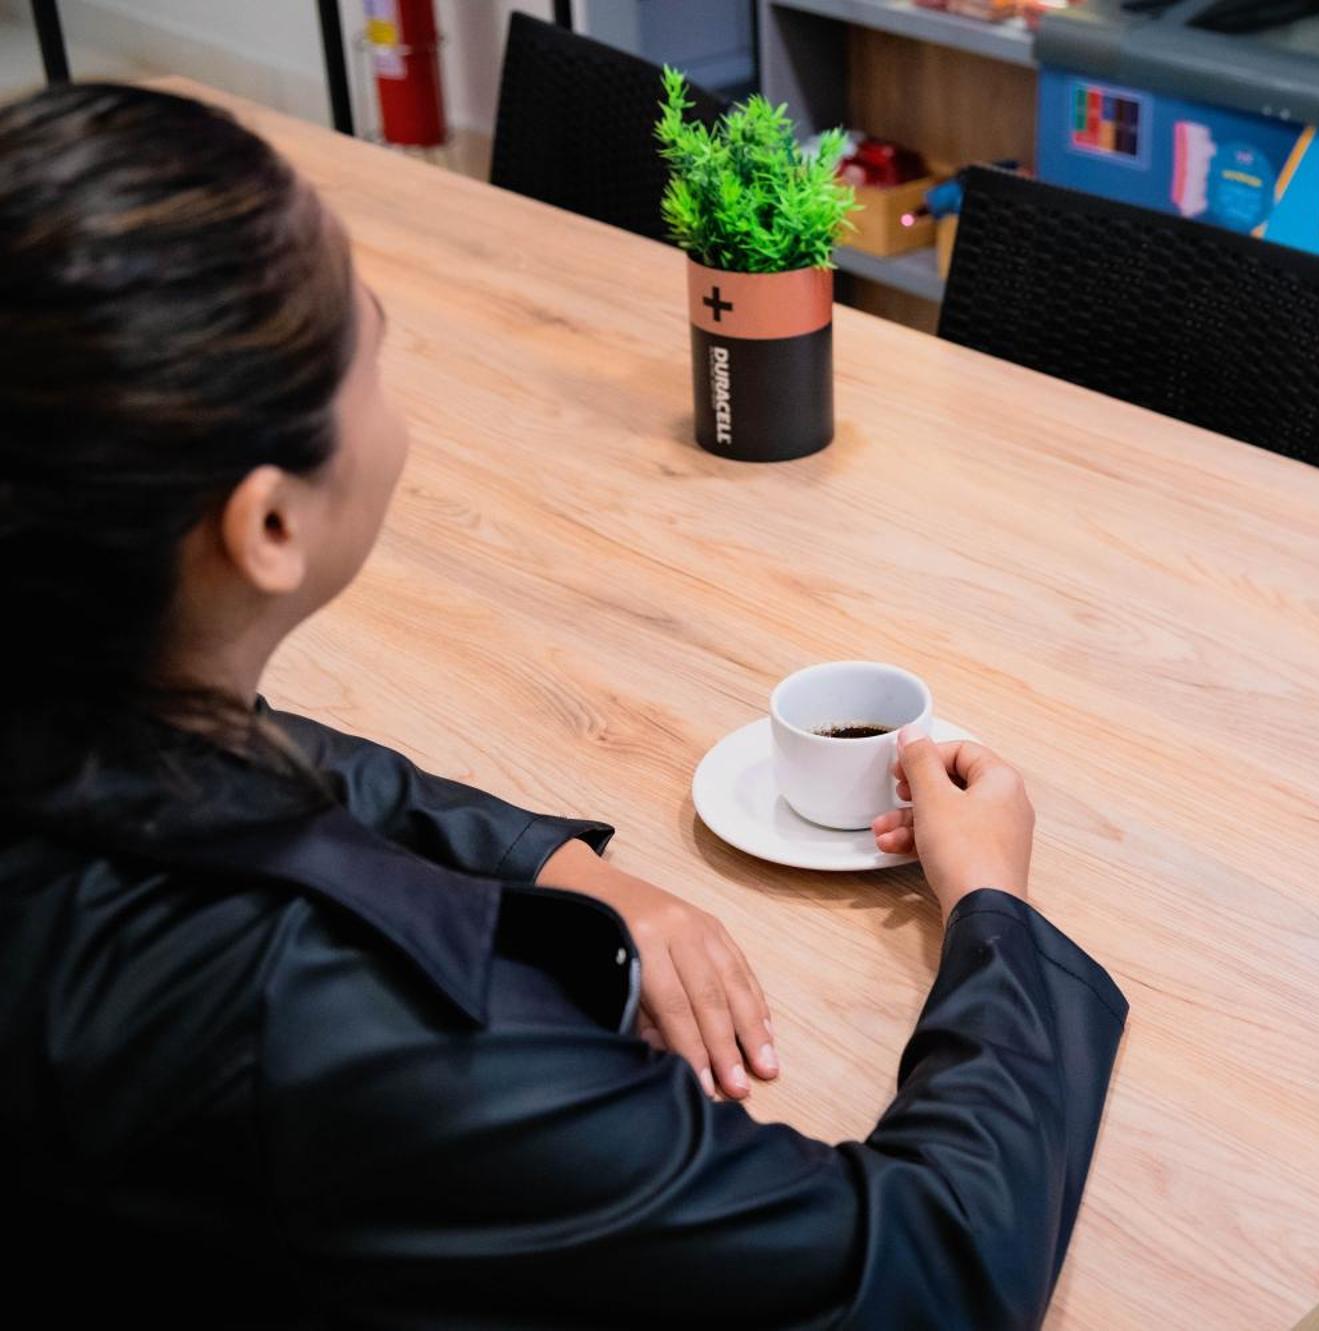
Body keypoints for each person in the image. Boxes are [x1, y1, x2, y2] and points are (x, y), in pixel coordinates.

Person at [0, 83, 1125, 1327]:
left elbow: (251, 752)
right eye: (371, 348)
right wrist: (993, 907)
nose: (392, 383)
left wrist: (549, 864)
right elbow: (925, 1271)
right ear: (269, 524)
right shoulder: (371, 1030)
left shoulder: (72, 705)